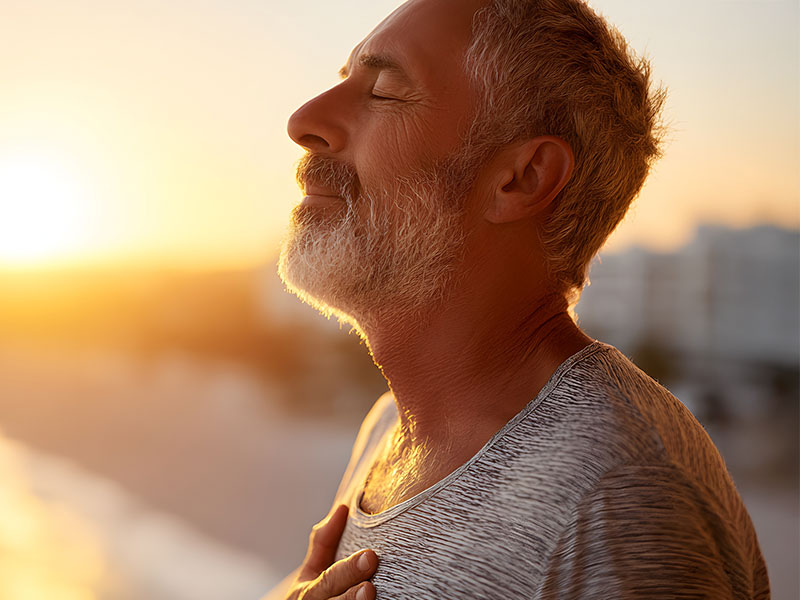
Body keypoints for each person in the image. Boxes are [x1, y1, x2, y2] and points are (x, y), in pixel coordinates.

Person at [264, 0, 770, 598]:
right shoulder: (391, 428)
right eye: (343, 80)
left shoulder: (612, 495)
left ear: (522, 178)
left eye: (384, 92)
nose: (303, 120)